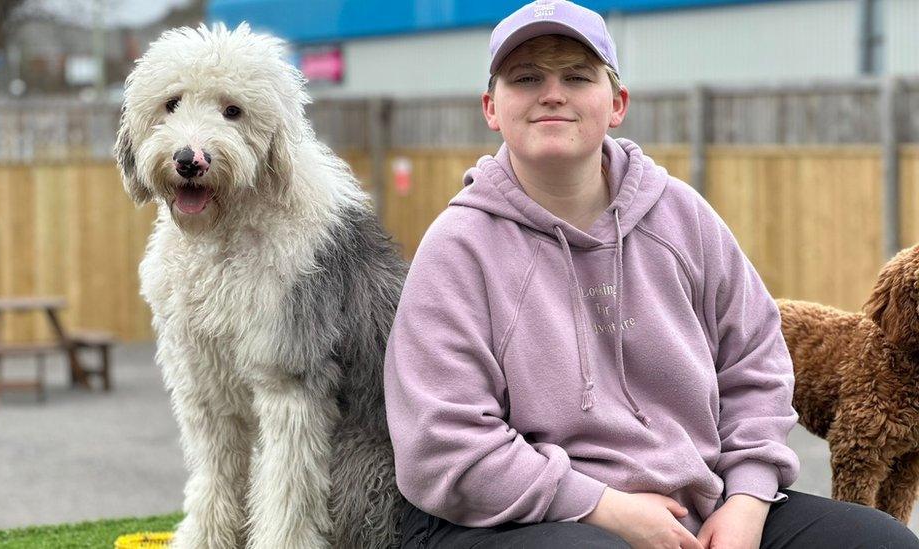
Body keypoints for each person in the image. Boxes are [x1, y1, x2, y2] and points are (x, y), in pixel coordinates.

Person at [383, 1, 919, 548]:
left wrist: (747, 501)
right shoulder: (458, 248)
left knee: (880, 541)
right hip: (520, 517)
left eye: (576, 76)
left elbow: (756, 368)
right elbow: (442, 443)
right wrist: (601, 507)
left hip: (698, 505)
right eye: (526, 78)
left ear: (616, 104)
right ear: (491, 108)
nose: (552, 92)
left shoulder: (682, 218)